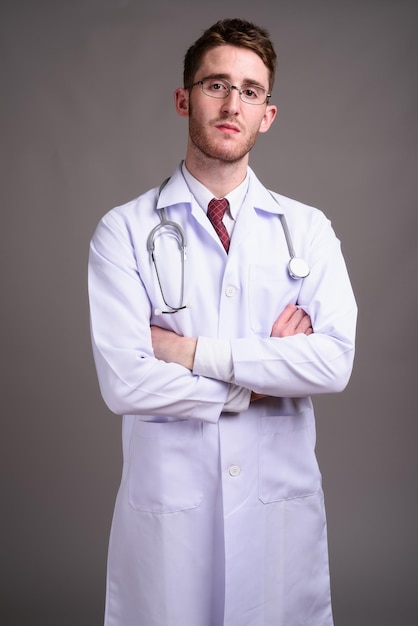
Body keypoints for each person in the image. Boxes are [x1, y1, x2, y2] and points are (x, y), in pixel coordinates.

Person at [88, 17, 357, 626]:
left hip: (276, 512)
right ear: (185, 98)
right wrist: (260, 378)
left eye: (251, 90)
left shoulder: (307, 230)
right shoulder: (124, 231)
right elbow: (125, 382)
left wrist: (187, 352)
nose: (233, 103)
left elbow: (333, 361)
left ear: (268, 114)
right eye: (216, 85)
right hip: (173, 515)